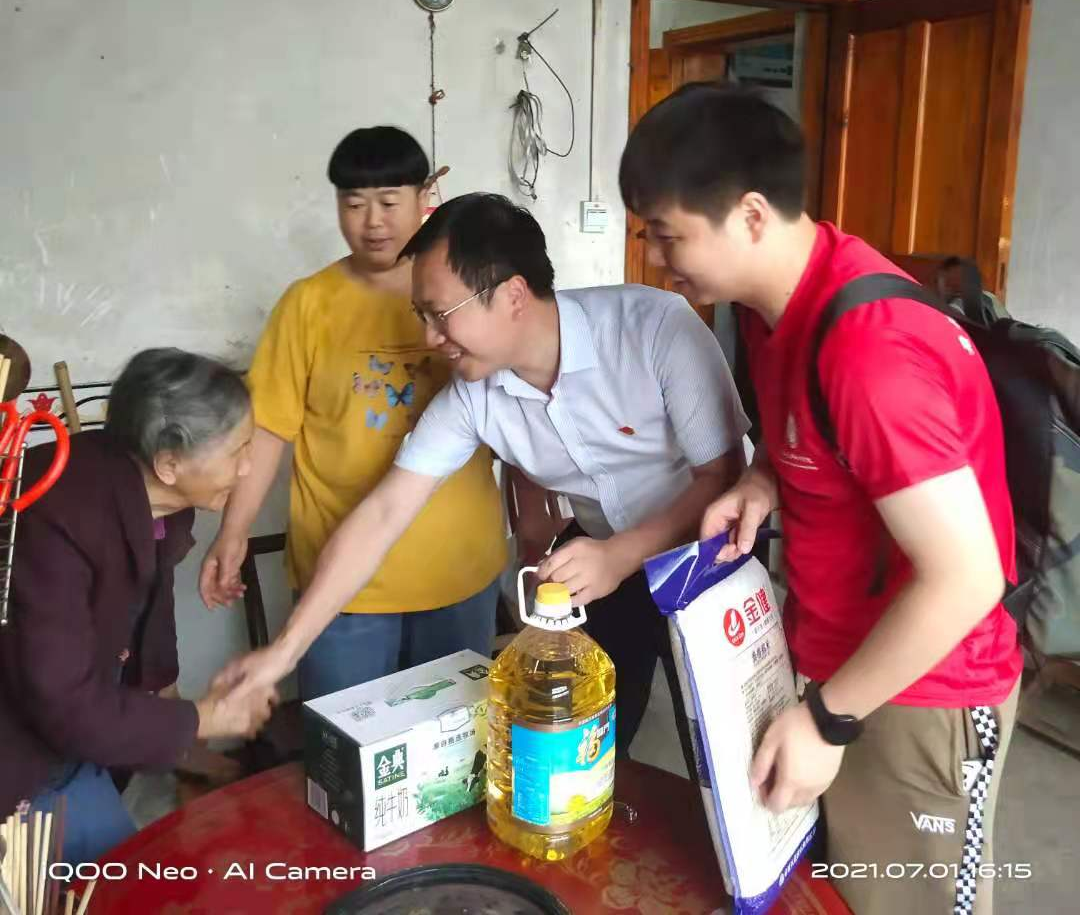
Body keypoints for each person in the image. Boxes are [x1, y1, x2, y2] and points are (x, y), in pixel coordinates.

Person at [618, 82, 1021, 915]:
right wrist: (762, 481)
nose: (657, 258)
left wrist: (829, 718)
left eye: (667, 234)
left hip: (920, 693)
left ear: (751, 215)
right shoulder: (773, 309)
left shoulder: (872, 351)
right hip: (837, 666)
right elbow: (817, 429)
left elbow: (966, 577)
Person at [212, 192, 749, 763]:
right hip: (603, 563)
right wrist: (283, 652)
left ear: (513, 295)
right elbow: (385, 513)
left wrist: (619, 555)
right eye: (421, 316)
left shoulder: (653, 329)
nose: (429, 337)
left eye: (439, 314)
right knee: (587, 741)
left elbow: (721, 476)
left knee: (727, 739)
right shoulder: (474, 396)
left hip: (707, 550)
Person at [200, 127, 507, 699]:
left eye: (389, 202)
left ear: (424, 199)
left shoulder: (465, 296)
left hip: (459, 571)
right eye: (354, 203)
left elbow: (520, 402)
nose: (373, 222)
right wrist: (233, 531)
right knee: (343, 741)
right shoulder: (308, 304)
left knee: (459, 739)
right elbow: (268, 428)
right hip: (341, 585)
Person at [0, 349, 277, 864]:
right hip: (18, 758)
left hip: (75, 745)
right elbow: (61, 703)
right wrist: (200, 720)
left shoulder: (157, 502)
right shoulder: (54, 515)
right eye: (237, 451)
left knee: (125, 875)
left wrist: (181, 724)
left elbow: (149, 612)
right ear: (169, 464)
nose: (247, 468)